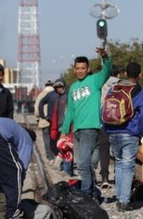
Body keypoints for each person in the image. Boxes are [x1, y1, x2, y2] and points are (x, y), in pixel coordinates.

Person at [60, 47, 113, 198]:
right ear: (74, 69)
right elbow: (70, 111)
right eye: (77, 68)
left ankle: (86, 195)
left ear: (88, 68)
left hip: (90, 128)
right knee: (85, 164)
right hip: (76, 131)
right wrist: (64, 132)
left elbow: (107, 71)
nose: (80, 71)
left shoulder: (95, 80)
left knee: (83, 165)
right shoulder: (73, 88)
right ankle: (92, 194)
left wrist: (105, 57)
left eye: (83, 68)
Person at [102, 62, 143, 211]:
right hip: (129, 133)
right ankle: (124, 201)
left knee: (119, 164)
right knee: (128, 165)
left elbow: (102, 109)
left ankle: (119, 197)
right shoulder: (141, 93)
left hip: (112, 132)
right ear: (140, 75)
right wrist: (139, 131)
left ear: (125, 74)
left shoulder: (113, 89)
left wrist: (106, 128)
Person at [97, 68, 121, 189]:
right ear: (118, 74)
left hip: (103, 121)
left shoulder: (101, 85)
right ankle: (119, 175)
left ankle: (105, 177)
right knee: (118, 150)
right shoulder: (122, 84)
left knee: (104, 149)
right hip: (118, 122)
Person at [41, 78, 67, 164]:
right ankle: (63, 160)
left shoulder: (50, 95)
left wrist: (42, 116)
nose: (59, 88)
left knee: (54, 143)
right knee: (61, 144)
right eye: (58, 87)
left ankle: (63, 162)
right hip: (59, 123)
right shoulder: (63, 95)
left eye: (60, 86)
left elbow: (40, 103)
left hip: (54, 123)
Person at [34, 79, 55, 161]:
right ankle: (56, 155)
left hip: (44, 120)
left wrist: (38, 119)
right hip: (55, 121)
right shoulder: (56, 94)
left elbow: (37, 109)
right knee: (55, 138)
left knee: (47, 139)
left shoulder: (41, 95)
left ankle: (50, 158)